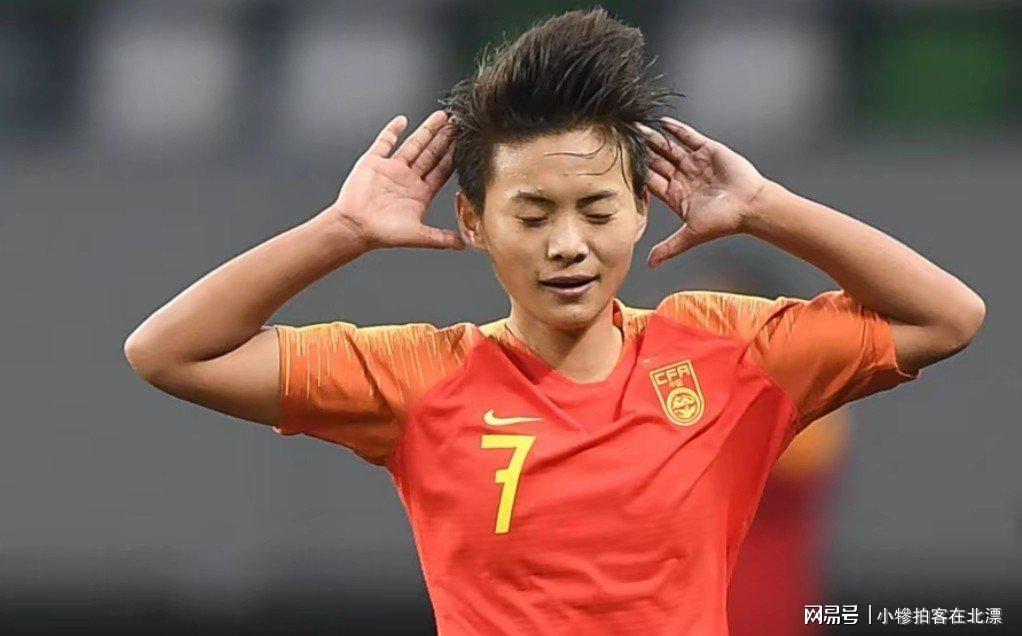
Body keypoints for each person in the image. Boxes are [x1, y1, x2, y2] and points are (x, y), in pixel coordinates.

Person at [123, 9, 985, 635]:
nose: (568, 245)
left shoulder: (725, 352)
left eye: (597, 211)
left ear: (642, 209)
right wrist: (340, 231)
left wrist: (767, 208)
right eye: (533, 216)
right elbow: (168, 354)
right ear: (473, 221)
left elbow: (948, 317)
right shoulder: (420, 380)